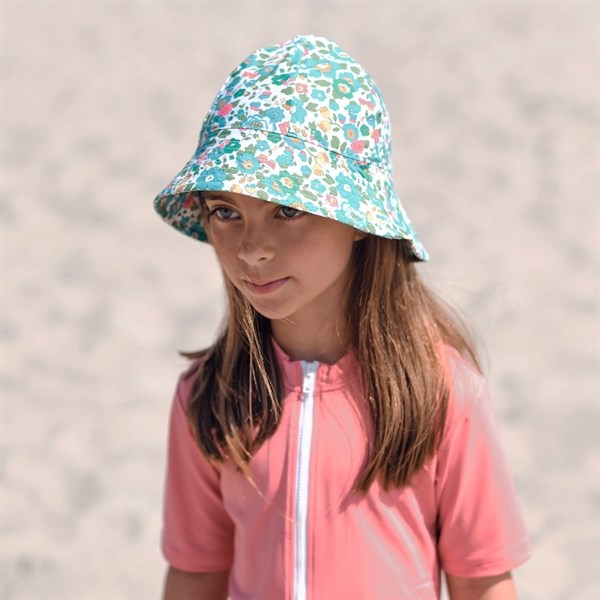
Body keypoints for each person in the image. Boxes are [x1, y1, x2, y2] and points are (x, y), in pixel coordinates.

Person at [153, 35, 532, 600]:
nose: (252, 248)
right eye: (226, 211)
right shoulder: (208, 397)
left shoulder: (442, 393)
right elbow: (195, 572)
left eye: (287, 209)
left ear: (359, 220)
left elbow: (483, 581)